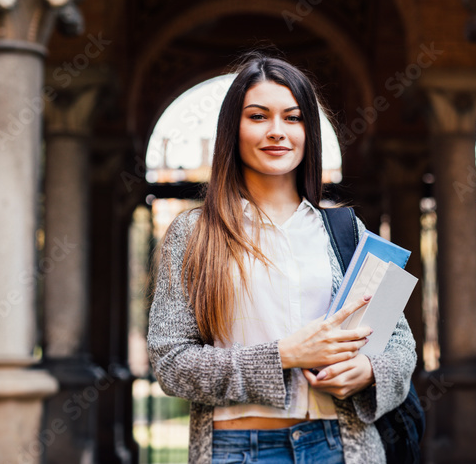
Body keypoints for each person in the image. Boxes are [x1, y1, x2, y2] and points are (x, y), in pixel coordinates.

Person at [147, 53, 416, 464]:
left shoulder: (346, 230)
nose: (277, 132)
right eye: (258, 117)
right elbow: (171, 361)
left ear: (310, 131)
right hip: (236, 449)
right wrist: (283, 355)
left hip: (340, 447)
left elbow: (399, 343)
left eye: (293, 118)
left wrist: (368, 372)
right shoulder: (195, 233)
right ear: (232, 130)